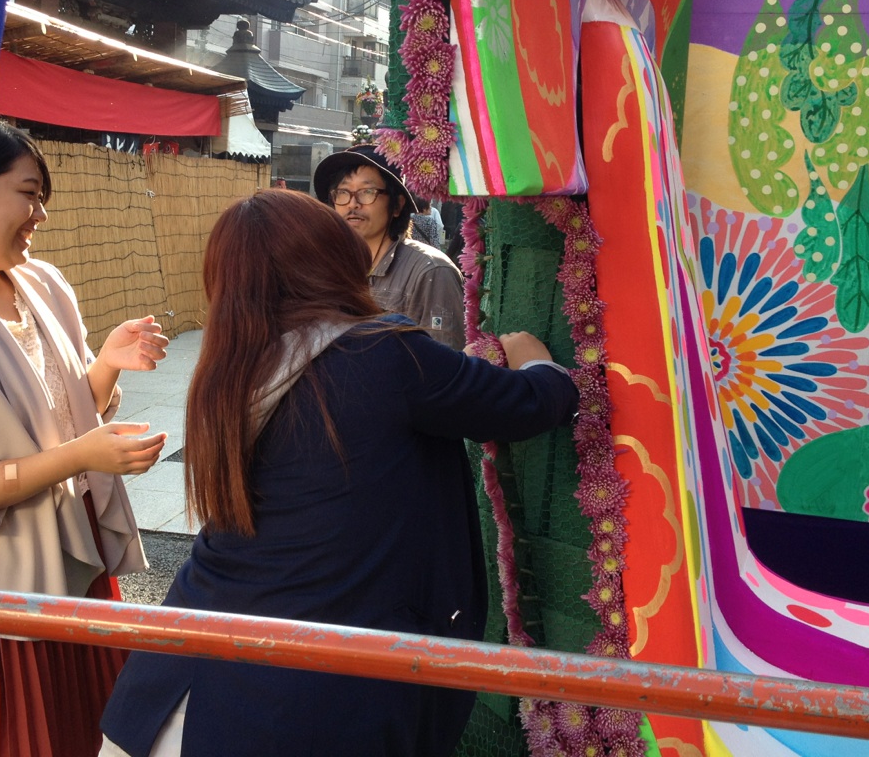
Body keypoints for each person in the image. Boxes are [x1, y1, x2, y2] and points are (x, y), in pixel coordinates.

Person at [99, 189, 578, 757]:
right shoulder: (381, 353)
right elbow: (528, 404)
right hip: (299, 700)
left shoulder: (227, 370)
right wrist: (535, 360)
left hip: (171, 679)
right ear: (332, 261)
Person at [0, 120, 171, 757]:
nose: (40, 214)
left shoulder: (42, 284)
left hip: (72, 558)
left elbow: (61, 417)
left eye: (43, 197)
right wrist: (82, 456)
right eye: (28, 194)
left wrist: (105, 365)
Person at [312, 144, 465, 349]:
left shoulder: (430, 272)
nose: (352, 204)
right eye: (343, 192)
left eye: (367, 191)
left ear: (397, 205)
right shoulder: (325, 266)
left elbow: (446, 361)